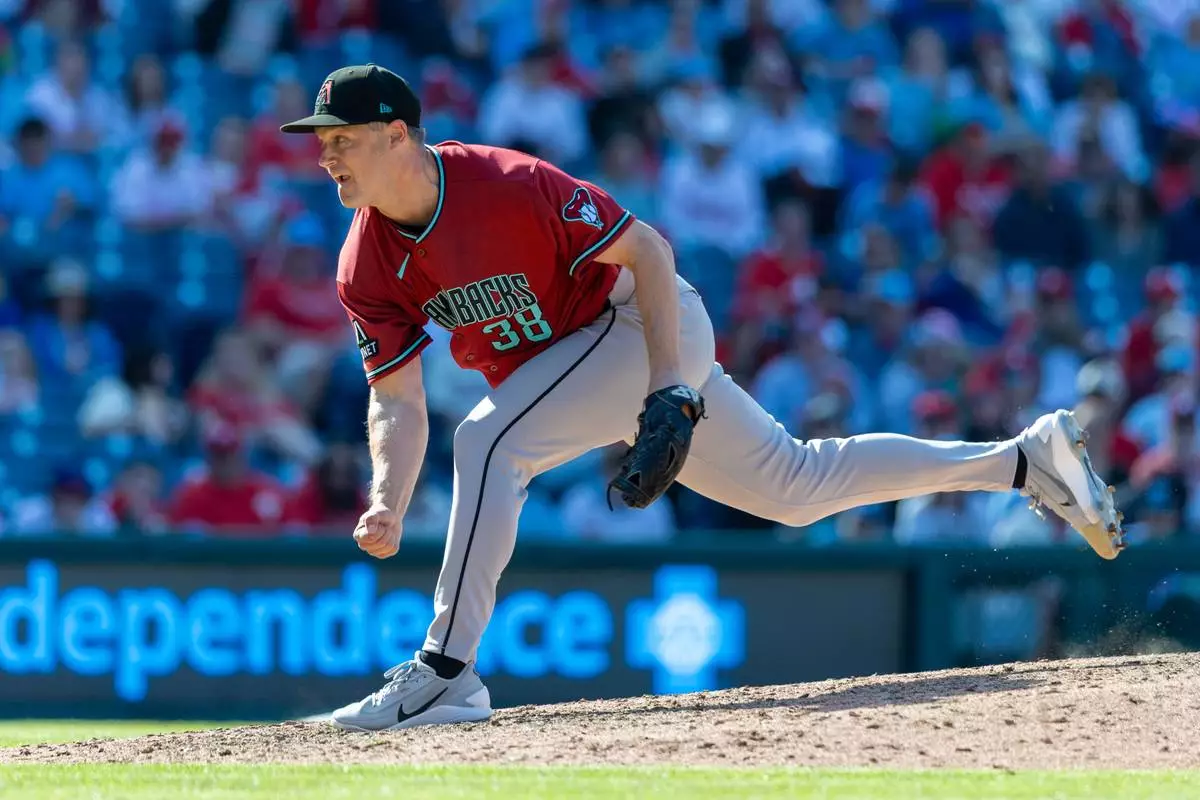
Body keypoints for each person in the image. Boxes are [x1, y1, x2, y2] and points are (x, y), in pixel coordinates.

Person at [279, 64, 1126, 732]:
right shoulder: (363, 263)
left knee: (488, 443)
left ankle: (446, 673)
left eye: (341, 137)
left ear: (398, 134)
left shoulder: (504, 182)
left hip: (641, 321)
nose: (326, 155)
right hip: (584, 363)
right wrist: (389, 497)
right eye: (321, 141)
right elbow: (396, 398)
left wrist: (669, 385)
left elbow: (647, 252)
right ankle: (1025, 461)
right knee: (796, 486)